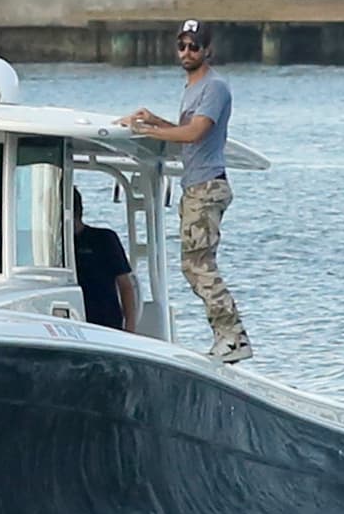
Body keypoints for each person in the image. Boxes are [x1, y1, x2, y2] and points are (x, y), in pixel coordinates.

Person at [119, 18, 252, 363]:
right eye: (183, 45)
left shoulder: (215, 87)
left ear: (208, 50)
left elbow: (195, 134)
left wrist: (147, 132)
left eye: (195, 46)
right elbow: (182, 132)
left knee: (198, 265)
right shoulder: (192, 89)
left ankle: (233, 338)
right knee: (193, 265)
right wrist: (153, 121)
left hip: (207, 186)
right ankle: (228, 337)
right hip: (194, 185)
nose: (187, 52)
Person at [73, 188, 137, 333]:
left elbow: (126, 286)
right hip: (71, 322)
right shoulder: (54, 246)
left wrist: (130, 329)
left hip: (106, 323)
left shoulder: (104, 239)